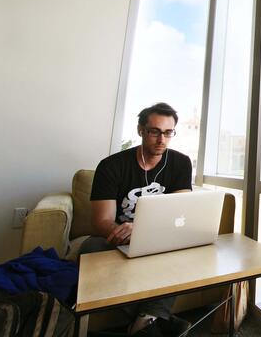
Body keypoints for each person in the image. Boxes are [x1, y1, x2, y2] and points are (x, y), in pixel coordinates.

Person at [80, 102, 192, 336]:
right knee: (90, 246)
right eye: (154, 131)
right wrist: (126, 232)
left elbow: (181, 211)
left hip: (161, 239)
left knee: (182, 252)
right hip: (120, 238)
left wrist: (144, 231)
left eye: (168, 132)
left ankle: (143, 324)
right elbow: (101, 222)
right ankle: (156, 319)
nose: (161, 139)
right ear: (141, 130)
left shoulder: (181, 163)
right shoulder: (111, 166)